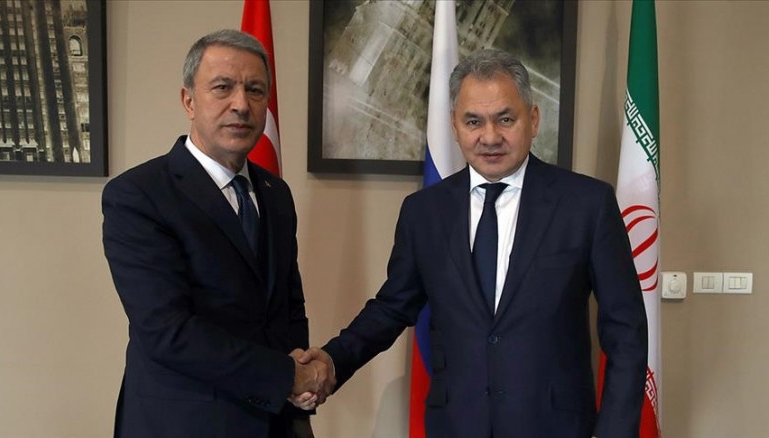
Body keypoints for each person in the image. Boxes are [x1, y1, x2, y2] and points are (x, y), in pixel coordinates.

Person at [300, 49, 648, 438]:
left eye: (505, 119)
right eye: (473, 122)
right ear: (454, 126)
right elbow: (392, 307)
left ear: (533, 119)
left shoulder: (587, 204)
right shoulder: (423, 212)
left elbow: (626, 330)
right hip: (456, 426)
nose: (490, 137)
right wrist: (332, 360)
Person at [102, 29, 332, 438]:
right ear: (189, 101)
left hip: (274, 419)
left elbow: (288, 307)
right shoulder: (138, 194)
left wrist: (299, 382)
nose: (241, 104)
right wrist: (286, 377)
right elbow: (167, 331)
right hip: (183, 424)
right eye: (222, 87)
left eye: (255, 90)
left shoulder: (275, 193)